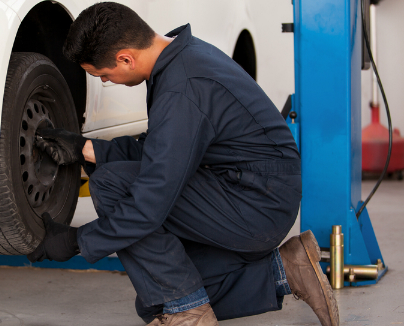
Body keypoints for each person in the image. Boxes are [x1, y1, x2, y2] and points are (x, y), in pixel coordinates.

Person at [28, 2, 339, 326]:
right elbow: (165, 152)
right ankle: (285, 270)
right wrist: (86, 149)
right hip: (251, 191)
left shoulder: (181, 88)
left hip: (258, 201)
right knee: (156, 301)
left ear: (125, 58)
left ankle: (189, 311)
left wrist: (77, 241)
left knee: (110, 184)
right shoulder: (180, 60)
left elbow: (149, 204)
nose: (107, 82)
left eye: (103, 75)